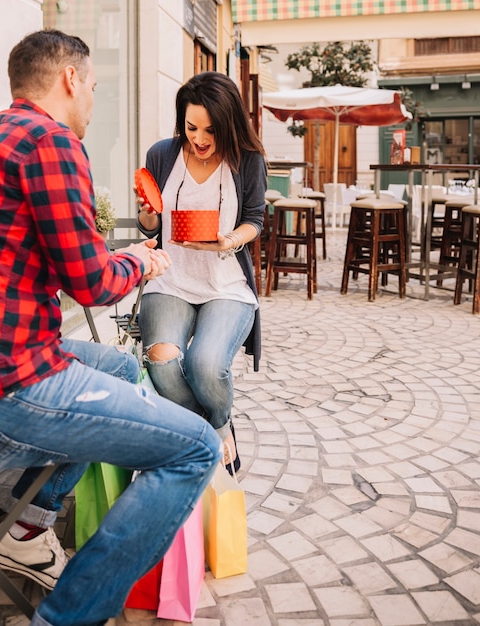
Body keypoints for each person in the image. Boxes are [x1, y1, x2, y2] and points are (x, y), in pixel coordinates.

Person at [0, 29, 222, 626]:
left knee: (124, 365)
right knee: (194, 448)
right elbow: (93, 285)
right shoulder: (49, 142)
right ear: (71, 79)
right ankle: (67, 616)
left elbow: (63, 260)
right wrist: (143, 260)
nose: (95, 100)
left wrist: (111, 257)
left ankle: (29, 527)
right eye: (95, 86)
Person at [136, 71, 267, 474]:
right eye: (191, 127)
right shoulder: (162, 155)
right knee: (161, 361)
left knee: (206, 366)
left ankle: (212, 430)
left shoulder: (247, 161)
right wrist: (148, 213)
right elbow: (149, 228)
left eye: (210, 130)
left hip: (225, 283)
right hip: (171, 279)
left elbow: (255, 219)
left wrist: (228, 241)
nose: (200, 138)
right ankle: (215, 432)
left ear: (228, 124)